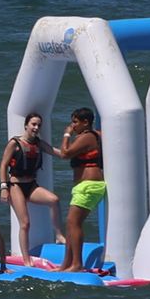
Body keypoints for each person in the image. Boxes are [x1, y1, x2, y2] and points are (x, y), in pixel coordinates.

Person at [0, 113, 64, 261]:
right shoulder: (15, 143)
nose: (36, 128)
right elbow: (3, 165)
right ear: (26, 125)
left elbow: (57, 153)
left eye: (39, 125)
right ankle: (26, 259)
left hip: (31, 185)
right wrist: (3, 187)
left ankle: (59, 235)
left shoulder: (38, 144)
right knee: (25, 224)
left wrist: (74, 150)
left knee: (54, 200)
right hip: (15, 186)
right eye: (33, 124)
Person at [55, 107, 105, 273]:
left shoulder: (88, 136)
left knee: (73, 222)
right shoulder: (93, 135)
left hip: (89, 185)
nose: (73, 125)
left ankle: (77, 264)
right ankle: (66, 264)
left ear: (86, 122)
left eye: (75, 122)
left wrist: (66, 134)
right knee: (71, 224)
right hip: (83, 186)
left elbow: (65, 153)